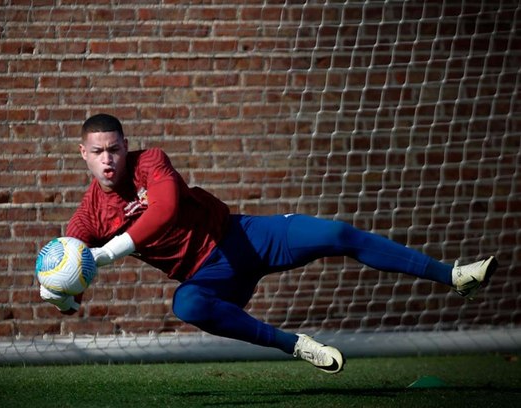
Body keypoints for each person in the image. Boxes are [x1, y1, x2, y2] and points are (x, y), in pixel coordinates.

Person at [39, 113, 498, 374]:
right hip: (210, 279)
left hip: (244, 238)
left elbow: (166, 209)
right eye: (97, 152)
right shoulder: (88, 215)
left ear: (125, 146)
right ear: (83, 154)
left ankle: (453, 276)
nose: (108, 160)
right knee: (187, 306)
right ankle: (295, 345)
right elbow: (73, 273)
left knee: (337, 233)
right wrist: (59, 293)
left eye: (114, 148)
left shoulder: (150, 162)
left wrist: (109, 251)